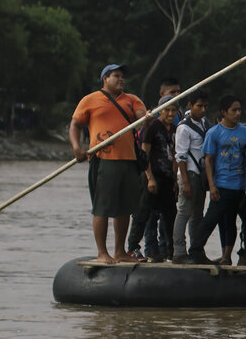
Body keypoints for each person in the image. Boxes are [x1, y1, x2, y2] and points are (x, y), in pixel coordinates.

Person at [69, 64, 149, 262]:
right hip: (104, 160)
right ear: (105, 78)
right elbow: (75, 125)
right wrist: (77, 148)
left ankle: (120, 251)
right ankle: (102, 252)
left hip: (129, 160)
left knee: (125, 208)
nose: (121, 79)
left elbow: (142, 119)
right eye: (116, 76)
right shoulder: (90, 100)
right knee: (102, 208)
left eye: (122, 76)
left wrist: (146, 118)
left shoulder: (132, 100)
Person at [194, 97, 246, 266]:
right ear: (223, 112)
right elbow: (208, 160)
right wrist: (212, 186)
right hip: (222, 186)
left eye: (239, 110)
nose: (238, 113)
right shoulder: (214, 133)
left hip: (243, 187)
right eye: (233, 110)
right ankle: (195, 251)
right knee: (212, 220)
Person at [135, 84, 181, 262]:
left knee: (170, 215)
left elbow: (175, 156)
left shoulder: (175, 129)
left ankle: (169, 252)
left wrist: (175, 179)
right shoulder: (152, 127)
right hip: (152, 176)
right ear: (160, 111)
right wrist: (149, 178)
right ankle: (139, 249)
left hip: (168, 177)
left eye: (174, 111)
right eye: (167, 110)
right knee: (145, 214)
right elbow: (144, 154)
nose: (170, 114)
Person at [174, 91, 211, 263]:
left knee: (198, 214)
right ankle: (179, 251)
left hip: (201, 175)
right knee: (184, 212)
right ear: (190, 106)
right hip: (189, 174)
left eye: (205, 106)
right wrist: (185, 182)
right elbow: (180, 156)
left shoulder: (205, 123)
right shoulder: (183, 127)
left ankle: (196, 250)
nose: (203, 110)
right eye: (199, 106)